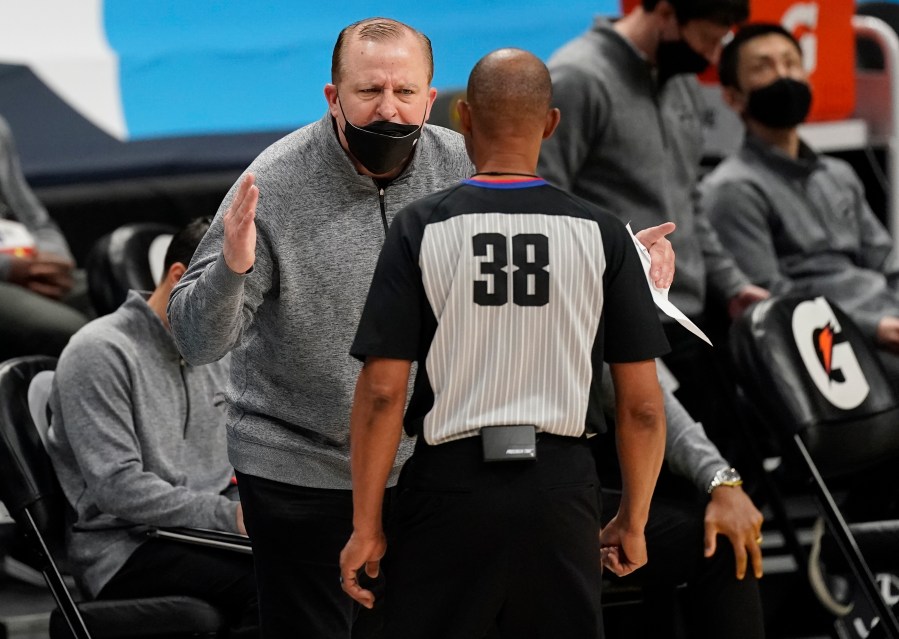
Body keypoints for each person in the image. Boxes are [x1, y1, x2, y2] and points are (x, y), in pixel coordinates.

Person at [167, 17, 678, 638]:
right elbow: (194, 341)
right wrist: (232, 267)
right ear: (333, 98)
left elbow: (546, 259)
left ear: (433, 100)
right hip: (301, 471)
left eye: (405, 92)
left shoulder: (466, 163)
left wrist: (627, 269)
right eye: (368, 92)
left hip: (428, 474)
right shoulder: (271, 183)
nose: (388, 108)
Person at [339, 47, 668, 639]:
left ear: (461, 117)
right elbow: (643, 407)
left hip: (450, 488)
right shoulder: (605, 235)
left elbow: (384, 394)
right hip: (561, 490)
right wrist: (633, 519)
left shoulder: (420, 227)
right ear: (551, 123)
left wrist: (366, 526)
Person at [537, 0, 768, 463]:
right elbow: (544, 207)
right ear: (665, 12)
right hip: (618, 332)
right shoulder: (577, 78)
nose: (714, 53)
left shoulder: (678, 80)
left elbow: (689, 201)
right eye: (708, 37)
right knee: (666, 506)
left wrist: (732, 285)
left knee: (730, 483)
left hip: (686, 322)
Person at [47, 218, 258, 637]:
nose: (234, 313)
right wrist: (230, 515)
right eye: (223, 296)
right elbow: (118, 486)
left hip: (195, 531)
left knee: (322, 562)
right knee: (280, 584)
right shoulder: (99, 352)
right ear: (180, 278)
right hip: (125, 547)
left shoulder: (217, 351)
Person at [702, 23, 899, 390]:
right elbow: (769, 303)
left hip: (886, 321)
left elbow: (885, 262)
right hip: (830, 346)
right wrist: (875, 328)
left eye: (792, 63)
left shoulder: (838, 174)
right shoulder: (731, 189)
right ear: (732, 96)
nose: (783, 76)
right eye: (764, 67)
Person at [598, 367, 765, 638]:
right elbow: (643, 412)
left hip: (571, 492)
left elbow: (649, 405)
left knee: (720, 538)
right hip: (543, 497)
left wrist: (722, 480)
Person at [0, 113, 88, 361]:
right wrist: (8, 269)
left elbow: (35, 220)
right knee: (75, 333)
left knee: (134, 304)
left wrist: (51, 259)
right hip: (9, 272)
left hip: (29, 264)